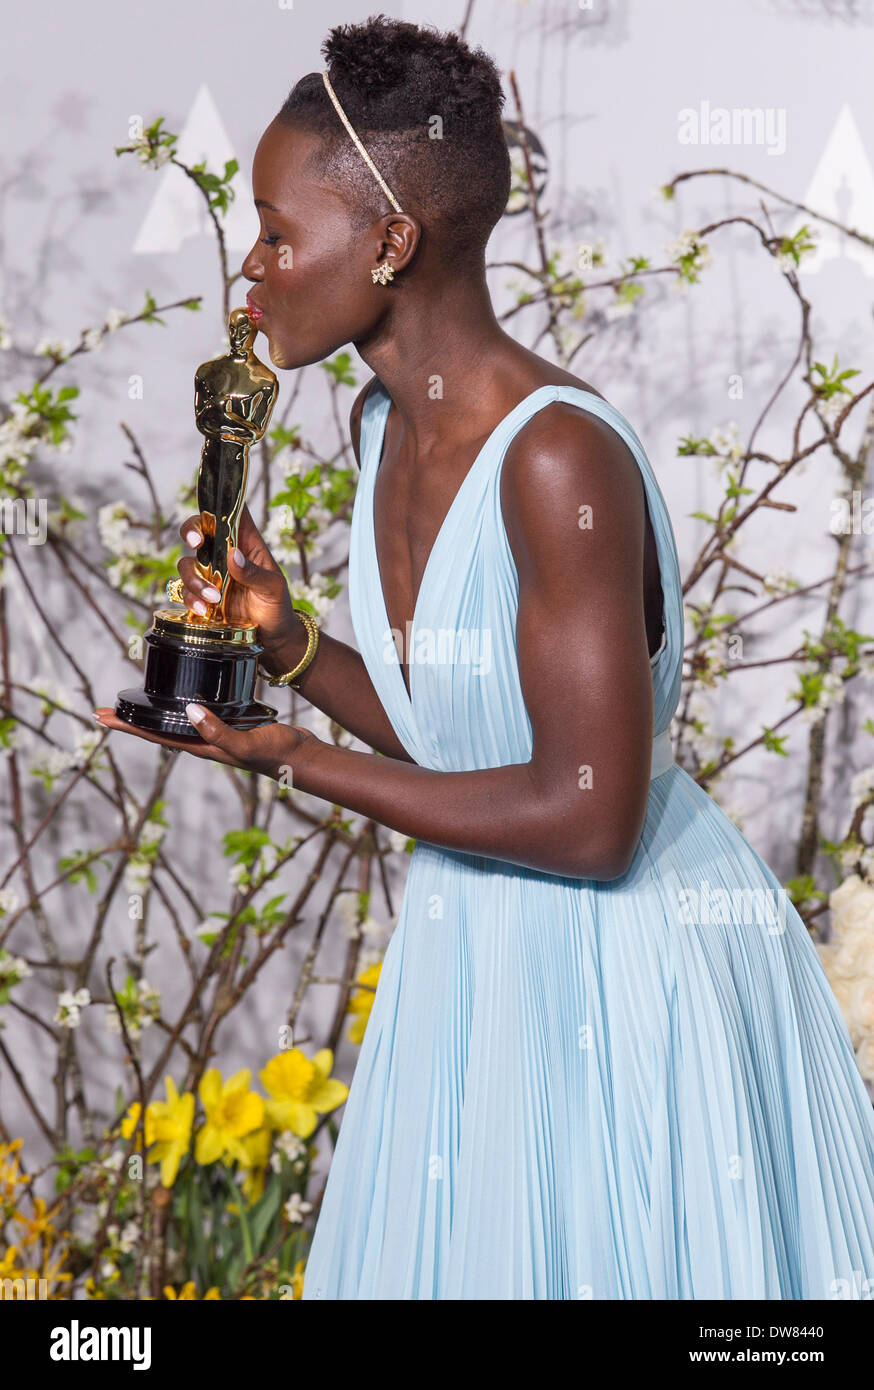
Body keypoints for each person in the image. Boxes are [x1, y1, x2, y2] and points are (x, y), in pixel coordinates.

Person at [95, 15, 874, 1299]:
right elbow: (466, 741)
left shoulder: (556, 459)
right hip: (477, 952)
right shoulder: (378, 422)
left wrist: (294, 764)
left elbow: (587, 821)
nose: (251, 266)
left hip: (622, 974)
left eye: (281, 234)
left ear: (391, 243)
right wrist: (291, 648)